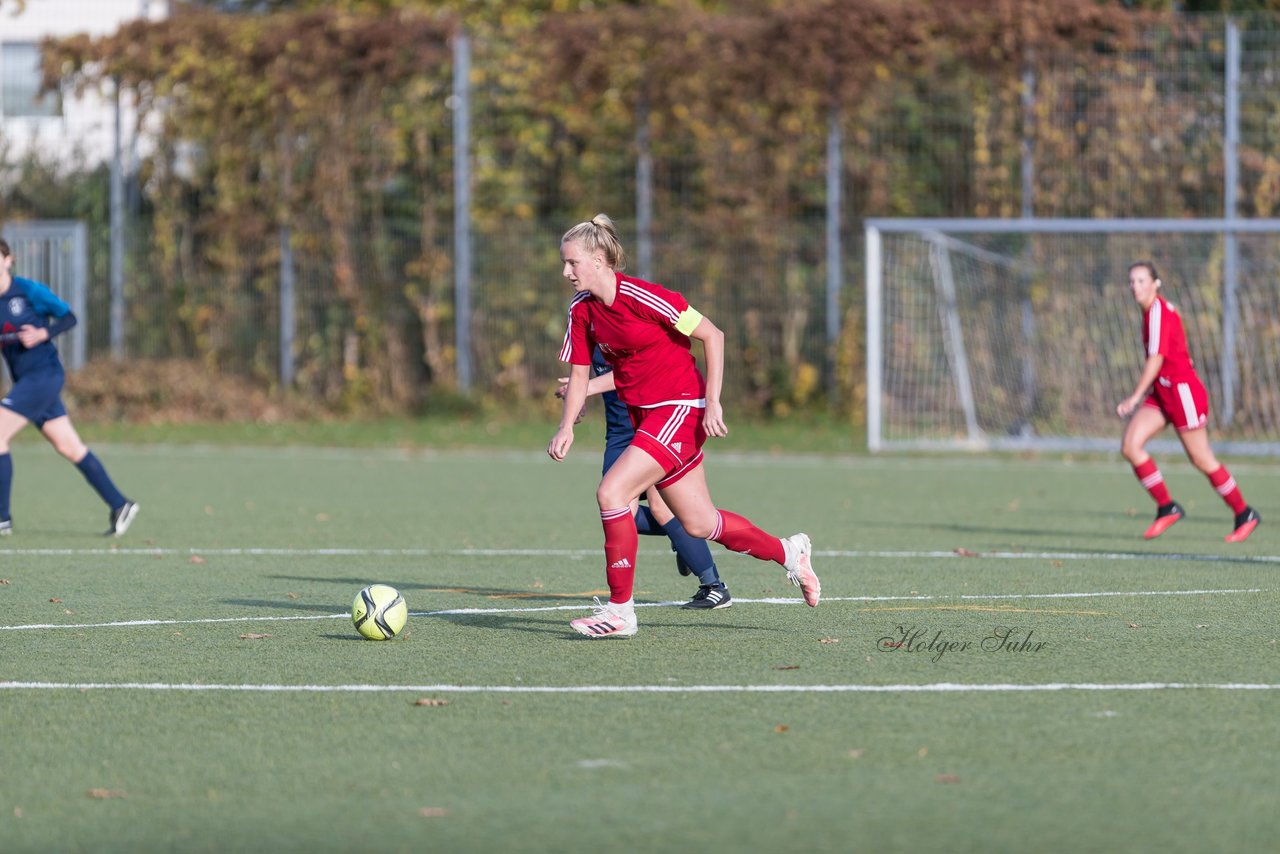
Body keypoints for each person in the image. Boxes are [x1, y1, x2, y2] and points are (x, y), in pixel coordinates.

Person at [548, 214, 819, 638]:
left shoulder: (645, 296)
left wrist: (713, 401)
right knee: (699, 523)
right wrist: (567, 426)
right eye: (564, 264)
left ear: (600, 260)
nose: (566, 272)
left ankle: (621, 612)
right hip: (647, 416)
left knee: (612, 492)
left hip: (679, 409)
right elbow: (583, 374)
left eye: (573, 263)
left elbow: (714, 335)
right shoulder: (582, 311)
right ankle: (790, 552)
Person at [558, 344, 732, 610]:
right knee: (621, 512)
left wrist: (587, 388)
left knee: (662, 508)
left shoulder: (629, 322)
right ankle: (685, 537)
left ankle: (713, 585)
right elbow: (582, 378)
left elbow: (632, 373)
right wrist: (576, 401)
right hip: (618, 434)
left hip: (651, 425)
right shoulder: (588, 324)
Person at [0, 238, 138, 537]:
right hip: (27, 382)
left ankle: (2, 519)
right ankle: (119, 504)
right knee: (69, 446)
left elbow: (69, 317)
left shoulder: (28, 291)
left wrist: (42, 333)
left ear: (8, 259)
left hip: (44, 376)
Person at [1116, 260, 1258, 543]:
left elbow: (1156, 360)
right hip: (1164, 392)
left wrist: (1134, 397)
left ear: (1156, 283)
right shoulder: (1153, 312)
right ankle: (1167, 507)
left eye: (1142, 281)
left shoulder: (1157, 312)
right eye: (1132, 281)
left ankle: (1244, 513)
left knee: (1202, 459)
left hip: (1183, 394)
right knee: (1131, 446)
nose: (1135, 286)